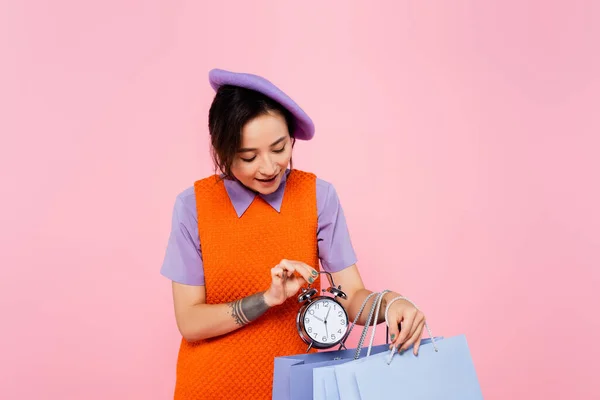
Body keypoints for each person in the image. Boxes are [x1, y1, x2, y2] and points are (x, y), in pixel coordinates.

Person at [160, 68, 427, 400]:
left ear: (292, 138)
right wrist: (267, 299)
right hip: (211, 388)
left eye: (279, 147)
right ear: (223, 151)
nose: (269, 167)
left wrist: (391, 304)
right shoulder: (193, 207)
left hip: (300, 390)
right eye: (248, 156)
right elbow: (190, 321)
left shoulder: (318, 196)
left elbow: (352, 295)